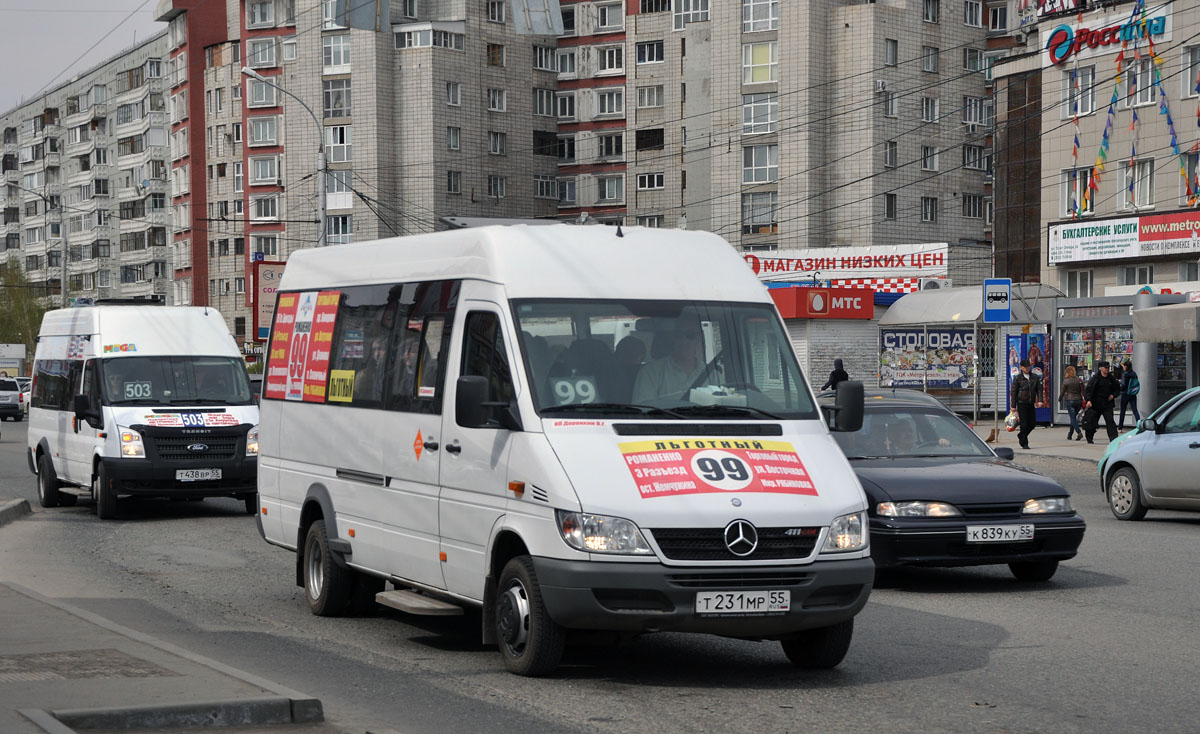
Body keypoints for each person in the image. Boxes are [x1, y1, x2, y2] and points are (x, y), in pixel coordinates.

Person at [632, 315, 707, 404]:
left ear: (699, 338)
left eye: (690, 335)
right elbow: (643, 413)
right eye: (678, 335)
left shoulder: (712, 373)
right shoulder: (651, 372)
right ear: (672, 338)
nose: (684, 341)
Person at [1083, 360, 1121, 444]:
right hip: (1095, 404)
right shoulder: (1095, 378)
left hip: (1107, 404)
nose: (1107, 369)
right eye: (1105, 368)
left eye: (1108, 367)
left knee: (1110, 421)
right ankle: (1089, 438)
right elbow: (1088, 390)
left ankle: (1113, 439)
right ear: (1101, 368)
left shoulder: (1112, 378)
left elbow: (1117, 389)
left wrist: (1113, 395)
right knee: (1092, 422)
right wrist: (1088, 400)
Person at [1010, 358, 1044, 450]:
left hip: (1031, 403)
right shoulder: (1018, 378)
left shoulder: (1034, 377)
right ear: (1021, 367)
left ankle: (1021, 435)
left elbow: (1039, 389)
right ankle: (1024, 443)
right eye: (1025, 367)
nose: (1027, 368)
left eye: (1028, 366)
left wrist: (1040, 400)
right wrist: (1013, 406)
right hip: (1021, 403)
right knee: (1024, 424)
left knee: (1032, 424)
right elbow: (1014, 392)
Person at [1059, 365, 1084, 441]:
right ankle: (1070, 434)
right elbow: (1083, 391)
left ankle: (1079, 432)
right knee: (1073, 418)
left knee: (1073, 418)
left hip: (1070, 400)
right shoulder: (1079, 380)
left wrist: (1059, 399)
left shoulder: (1066, 381)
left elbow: (1062, 392)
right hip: (1079, 400)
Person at [1118, 359, 1141, 429]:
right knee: (1135, 410)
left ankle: (1120, 427)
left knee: (1123, 411)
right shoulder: (1134, 373)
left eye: (1124, 366)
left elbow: (1124, 384)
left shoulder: (1125, 374)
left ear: (1126, 366)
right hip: (1132, 394)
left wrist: (1119, 388)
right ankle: (1139, 424)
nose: (1123, 367)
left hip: (1125, 394)